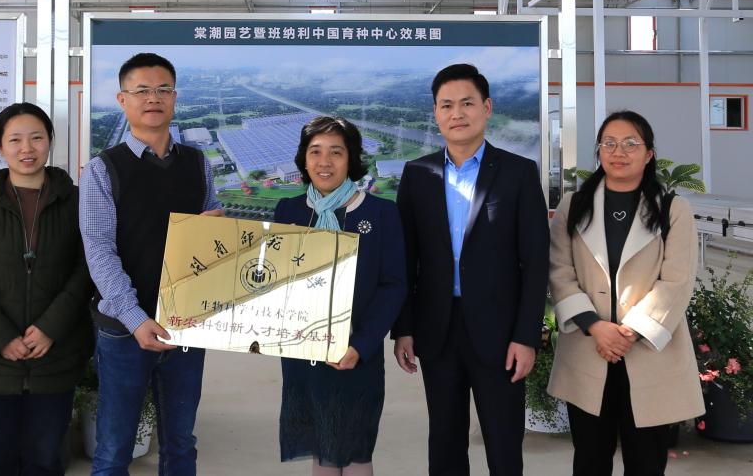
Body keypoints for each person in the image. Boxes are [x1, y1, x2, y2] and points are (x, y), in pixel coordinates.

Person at [391, 63, 549, 476]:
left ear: (487, 107)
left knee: (503, 442)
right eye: (446, 105)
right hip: (437, 329)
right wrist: (404, 328)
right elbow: (406, 259)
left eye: (467, 103)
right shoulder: (417, 174)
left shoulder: (518, 173)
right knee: (444, 440)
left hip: (501, 334)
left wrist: (526, 336)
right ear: (435, 113)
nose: (457, 113)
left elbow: (535, 262)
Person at [79, 52, 223, 475]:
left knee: (180, 443)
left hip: (186, 324)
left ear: (175, 97)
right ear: (122, 100)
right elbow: (99, 251)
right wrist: (136, 318)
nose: (153, 98)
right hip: (124, 328)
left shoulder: (198, 163)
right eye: (141, 90)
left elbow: (212, 235)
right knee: (114, 447)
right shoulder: (103, 169)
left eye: (163, 89)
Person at [547, 111, 704, 476]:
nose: (619, 152)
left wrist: (628, 332)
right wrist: (595, 326)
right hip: (588, 350)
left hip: (648, 353)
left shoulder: (672, 209)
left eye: (631, 143)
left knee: (646, 462)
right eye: (610, 143)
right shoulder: (574, 205)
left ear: (649, 154)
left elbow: (677, 281)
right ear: (599, 150)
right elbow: (559, 270)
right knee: (589, 460)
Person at [0, 103, 93, 476]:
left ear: (49, 142)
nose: (26, 148)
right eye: (15, 139)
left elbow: (87, 269)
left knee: (46, 460)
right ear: (0, 146)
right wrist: (0, 337)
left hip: (56, 355)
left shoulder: (77, 202)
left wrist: (50, 328)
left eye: (36, 138)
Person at [274, 116, 407, 476]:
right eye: (315, 152)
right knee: (321, 445)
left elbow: (394, 285)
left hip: (357, 353)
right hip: (303, 352)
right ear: (304, 160)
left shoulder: (381, 213)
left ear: (351, 159)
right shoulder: (288, 211)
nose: (325, 162)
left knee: (356, 450)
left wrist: (360, 346)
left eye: (336, 152)